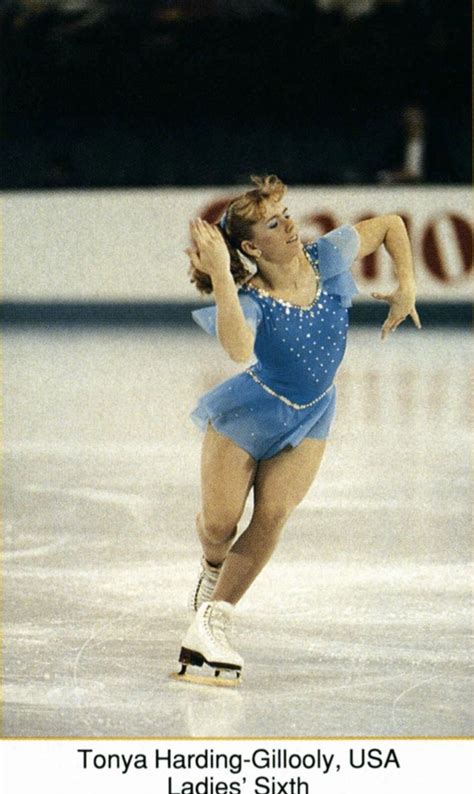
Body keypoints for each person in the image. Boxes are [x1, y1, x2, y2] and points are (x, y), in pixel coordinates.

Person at [174, 174, 420, 686]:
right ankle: (212, 564)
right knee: (220, 523)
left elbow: (392, 226)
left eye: (285, 215)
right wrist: (222, 273)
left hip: (312, 413)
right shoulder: (251, 297)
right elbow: (239, 351)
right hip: (250, 412)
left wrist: (407, 287)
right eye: (272, 222)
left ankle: (213, 622)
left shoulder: (325, 257)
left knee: (273, 514)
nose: (288, 225)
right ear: (249, 246)